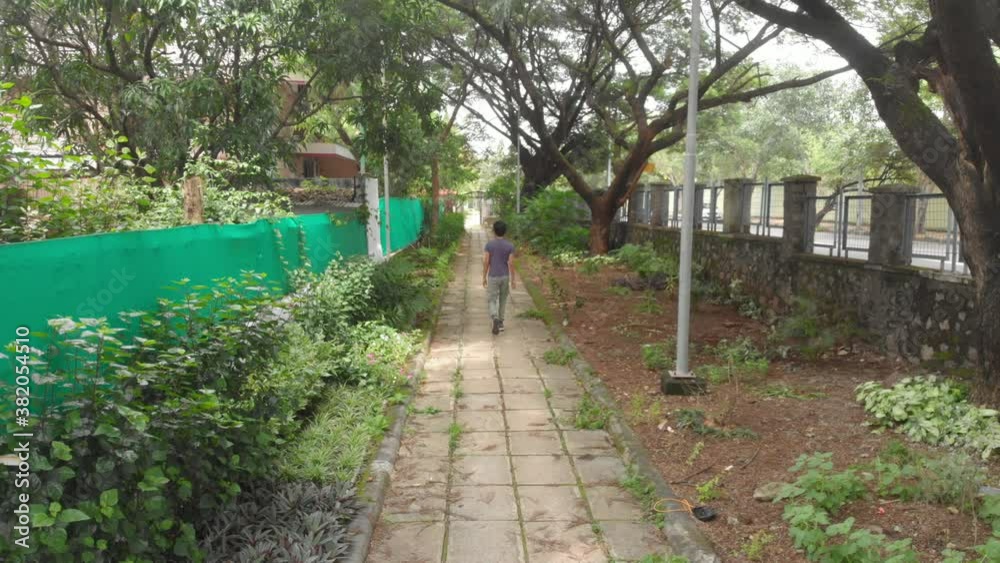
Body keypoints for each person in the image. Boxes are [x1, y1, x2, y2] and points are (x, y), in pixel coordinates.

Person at [483, 220, 516, 335]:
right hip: (505, 276)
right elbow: (511, 263)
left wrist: (484, 276)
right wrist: (513, 279)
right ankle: (501, 322)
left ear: (494, 231)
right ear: (505, 231)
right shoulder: (510, 246)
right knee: (503, 299)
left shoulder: (489, 245)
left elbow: (486, 261)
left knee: (492, 299)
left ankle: (494, 317)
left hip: (493, 276)